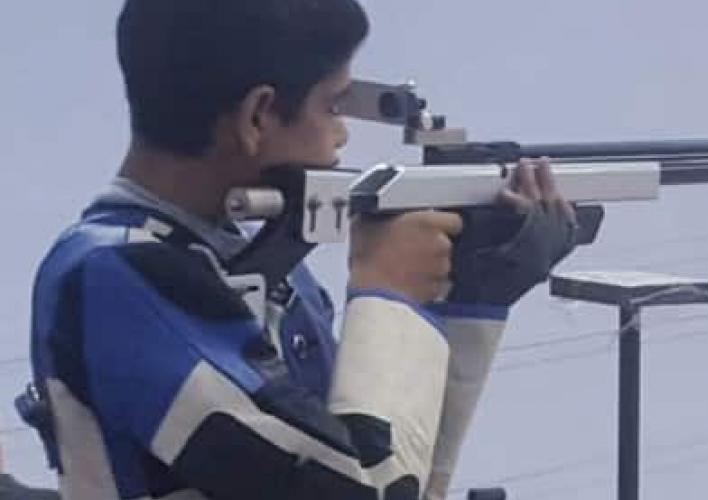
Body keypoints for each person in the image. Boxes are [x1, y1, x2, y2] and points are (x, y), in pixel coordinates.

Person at [23, 0, 576, 499]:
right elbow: (351, 491)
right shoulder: (116, 276)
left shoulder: (263, 268)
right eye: (334, 107)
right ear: (258, 115)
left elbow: (393, 473)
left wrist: (466, 304)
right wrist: (388, 299)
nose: (342, 138)